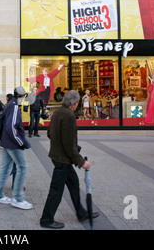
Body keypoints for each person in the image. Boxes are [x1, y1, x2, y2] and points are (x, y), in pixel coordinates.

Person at [40, 90, 98, 229]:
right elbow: (68, 143)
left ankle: (81, 212)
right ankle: (46, 219)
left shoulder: (58, 112)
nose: (77, 105)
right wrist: (81, 161)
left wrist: (60, 145)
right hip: (62, 159)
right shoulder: (69, 115)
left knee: (74, 183)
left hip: (58, 156)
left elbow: (50, 133)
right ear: (74, 103)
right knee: (56, 190)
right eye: (77, 103)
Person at [0, 86, 32, 210]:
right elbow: (12, 127)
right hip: (12, 143)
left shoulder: (11, 104)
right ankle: (18, 198)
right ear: (22, 96)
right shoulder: (15, 107)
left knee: (5, 168)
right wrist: (21, 142)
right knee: (23, 167)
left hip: (6, 141)